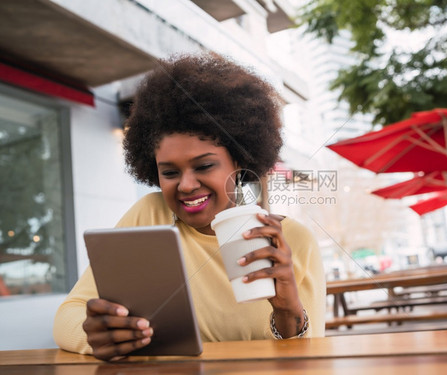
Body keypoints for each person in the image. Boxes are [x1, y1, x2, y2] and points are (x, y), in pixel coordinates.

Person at [53, 52, 326, 361]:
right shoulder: (150, 215)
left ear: (240, 160)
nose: (185, 185)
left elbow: (309, 358)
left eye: (204, 166)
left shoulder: (292, 241)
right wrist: (97, 336)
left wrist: (289, 310)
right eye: (169, 172)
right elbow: (69, 315)